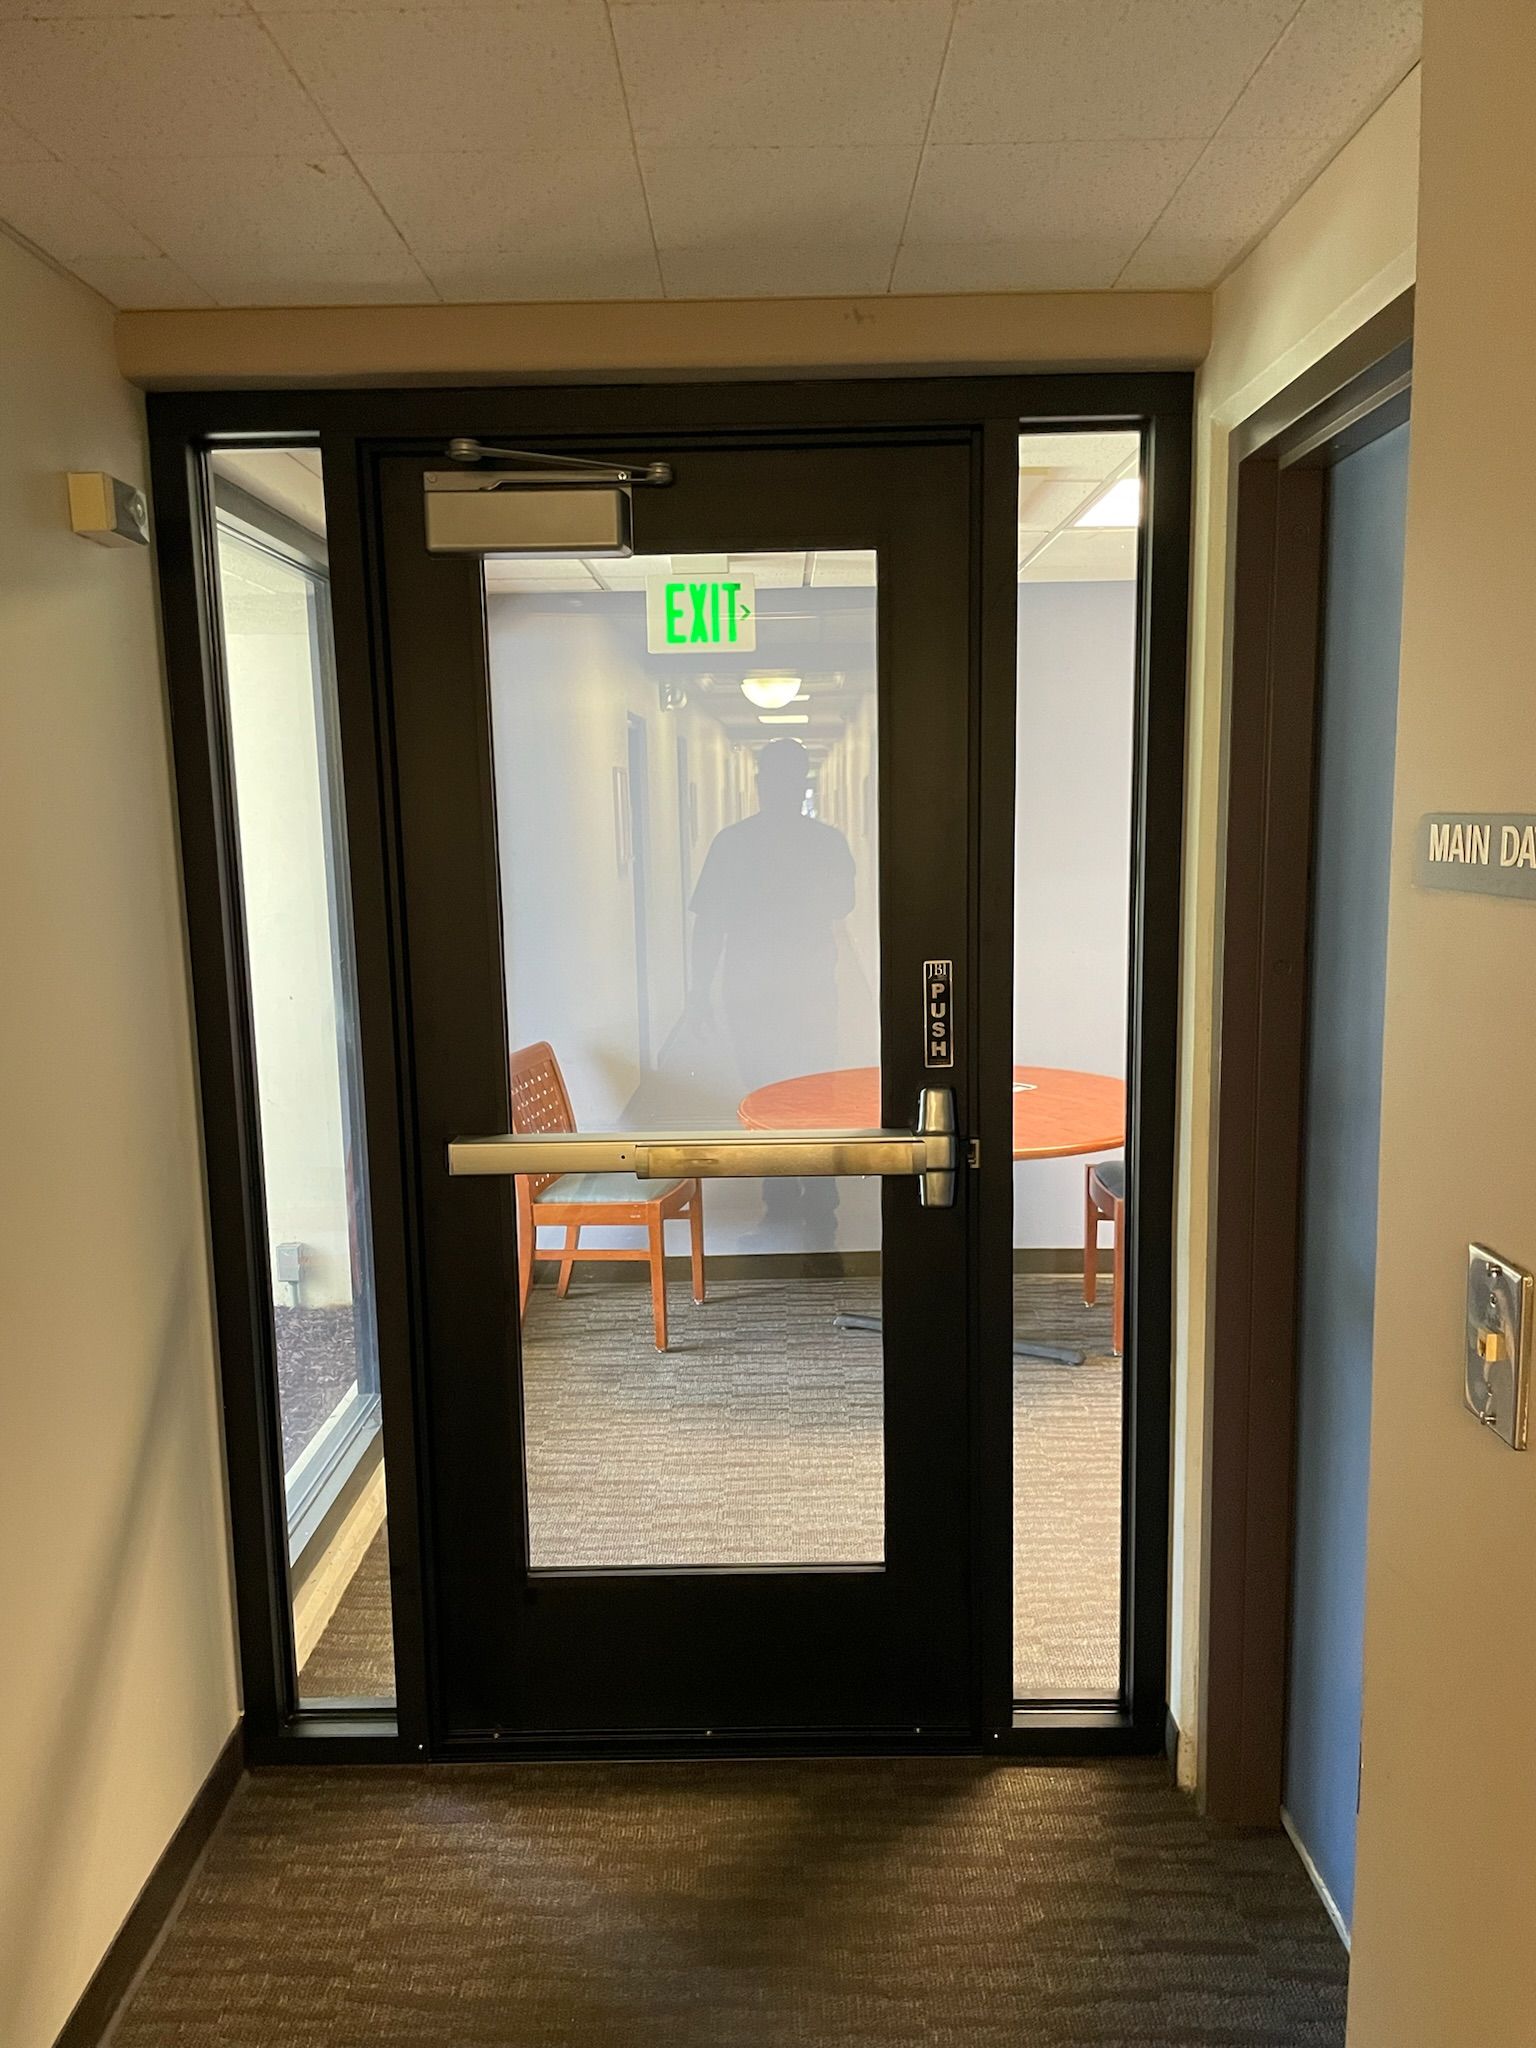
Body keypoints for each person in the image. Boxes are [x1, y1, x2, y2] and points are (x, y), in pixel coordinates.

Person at [687, 738, 856, 1244]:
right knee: (813, 1095)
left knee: (765, 1094)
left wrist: (699, 991)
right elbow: (841, 906)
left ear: (760, 783)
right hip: (804, 987)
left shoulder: (733, 842)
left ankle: (781, 1198)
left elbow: (709, 927)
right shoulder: (827, 842)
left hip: (754, 989)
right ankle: (820, 1202)